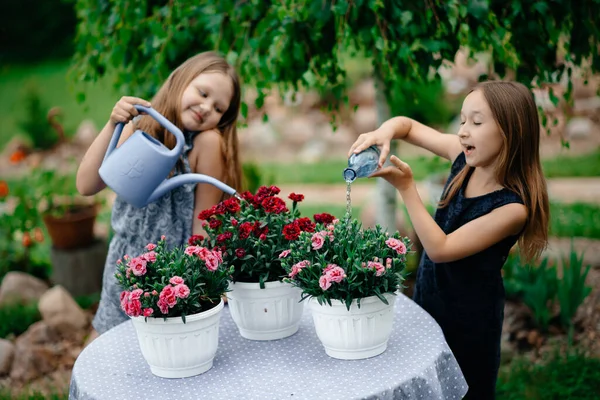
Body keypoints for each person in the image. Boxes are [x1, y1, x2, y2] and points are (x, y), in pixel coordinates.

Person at [349, 81, 549, 399]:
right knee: (425, 382)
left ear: (511, 131)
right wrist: (383, 132)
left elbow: (441, 249)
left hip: (470, 323)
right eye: (462, 120)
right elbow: (408, 126)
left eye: (477, 122)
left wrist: (407, 189)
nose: (464, 131)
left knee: (462, 391)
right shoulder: (463, 158)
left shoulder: (512, 209)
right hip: (431, 297)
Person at [76, 51, 243, 338]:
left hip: (171, 272)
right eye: (202, 93)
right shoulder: (141, 129)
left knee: (164, 349)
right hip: (124, 261)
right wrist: (113, 125)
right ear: (179, 81)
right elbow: (86, 185)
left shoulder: (208, 143)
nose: (206, 107)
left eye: (218, 108)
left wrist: (201, 280)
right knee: (107, 346)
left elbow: (201, 224)